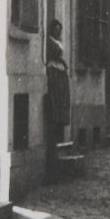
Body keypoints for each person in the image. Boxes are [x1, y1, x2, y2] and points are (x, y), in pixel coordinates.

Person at [44, 19, 71, 181]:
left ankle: (60, 122)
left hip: (60, 74)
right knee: (56, 101)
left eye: (59, 29)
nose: (58, 31)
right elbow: (53, 56)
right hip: (54, 73)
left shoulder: (58, 42)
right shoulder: (49, 42)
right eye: (55, 28)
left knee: (62, 100)